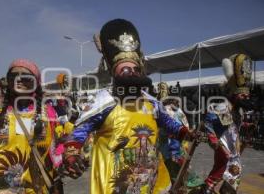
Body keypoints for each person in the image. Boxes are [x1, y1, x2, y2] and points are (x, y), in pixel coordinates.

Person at [60, 19, 195, 194]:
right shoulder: (105, 102)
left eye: (135, 69)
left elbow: (169, 123)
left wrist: (185, 132)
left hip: (152, 176)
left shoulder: (151, 102)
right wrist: (72, 153)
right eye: (125, 70)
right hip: (117, 181)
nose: (131, 73)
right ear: (113, 72)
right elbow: (80, 131)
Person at [0, 59, 67, 194]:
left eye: (25, 77)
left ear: (36, 82)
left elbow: (57, 151)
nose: (19, 80)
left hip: (39, 188)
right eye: (14, 76)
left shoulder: (48, 113)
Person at [202, 54, 253, 194]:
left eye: (247, 95)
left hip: (233, 148)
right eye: (242, 95)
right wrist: (215, 143)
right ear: (234, 93)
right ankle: (207, 190)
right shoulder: (225, 106)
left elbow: (234, 126)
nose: (245, 97)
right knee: (224, 171)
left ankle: (215, 190)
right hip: (224, 147)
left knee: (228, 172)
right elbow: (207, 122)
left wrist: (247, 127)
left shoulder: (238, 109)